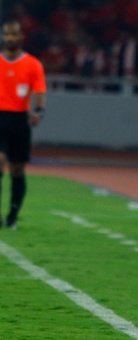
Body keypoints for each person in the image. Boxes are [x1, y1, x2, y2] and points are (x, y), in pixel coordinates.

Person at [0, 20, 46, 229]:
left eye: (14, 34)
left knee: (17, 170)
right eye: (7, 34)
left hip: (20, 120)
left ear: (21, 37)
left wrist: (39, 111)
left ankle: (12, 214)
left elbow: (39, 92)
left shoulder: (33, 64)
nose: (10, 38)